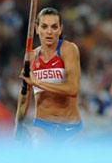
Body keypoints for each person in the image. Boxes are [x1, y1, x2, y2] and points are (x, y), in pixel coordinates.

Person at [19, 7, 82, 142]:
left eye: (54, 27)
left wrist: (37, 82)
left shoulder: (68, 49)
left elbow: (73, 89)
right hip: (43, 126)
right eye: (44, 26)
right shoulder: (30, 56)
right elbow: (24, 94)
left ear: (60, 30)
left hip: (70, 128)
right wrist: (17, 123)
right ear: (37, 29)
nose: (49, 32)